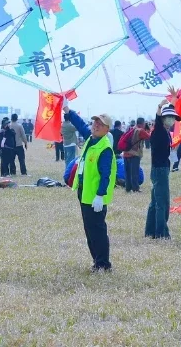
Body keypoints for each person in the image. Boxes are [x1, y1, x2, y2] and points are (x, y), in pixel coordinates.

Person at [64, 109, 116, 271]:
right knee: (89, 229)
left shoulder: (105, 148)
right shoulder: (91, 139)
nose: (96, 125)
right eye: (95, 122)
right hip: (84, 193)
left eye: (101, 124)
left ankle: (104, 264)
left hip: (95, 196)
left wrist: (100, 195)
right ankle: (96, 261)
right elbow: (80, 125)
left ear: (107, 129)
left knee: (98, 230)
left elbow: (105, 175)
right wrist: (68, 111)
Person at [146, 100, 180, 239]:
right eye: (169, 117)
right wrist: (160, 106)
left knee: (155, 202)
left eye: (173, 118)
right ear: (163, 118)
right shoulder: (159, 130)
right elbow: (157, 120)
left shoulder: (165, 132)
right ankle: (161, 233)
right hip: (160, 170)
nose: (172, 120)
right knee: (162, 202)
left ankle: (151, 231)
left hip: (160, 168)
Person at [122, 117, 148, 193]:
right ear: (142, 123)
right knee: (134, 172)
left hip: (126, 153)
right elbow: (149, 137)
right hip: (134, 154)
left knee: (127, 172)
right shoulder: (140, 130)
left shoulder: (130, 129)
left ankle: (128, 187)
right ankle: (135, 188)